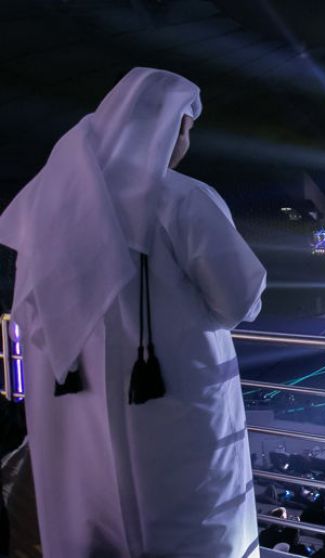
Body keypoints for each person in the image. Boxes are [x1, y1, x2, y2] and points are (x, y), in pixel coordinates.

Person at [0, 67, 266, 556]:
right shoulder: (182, 197)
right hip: (173, 402)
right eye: (185, 129)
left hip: (73, 401)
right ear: (169, 127)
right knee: (188, 520)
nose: (185, 143)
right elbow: (239, 301)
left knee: (92, 508)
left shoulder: (51, 199)